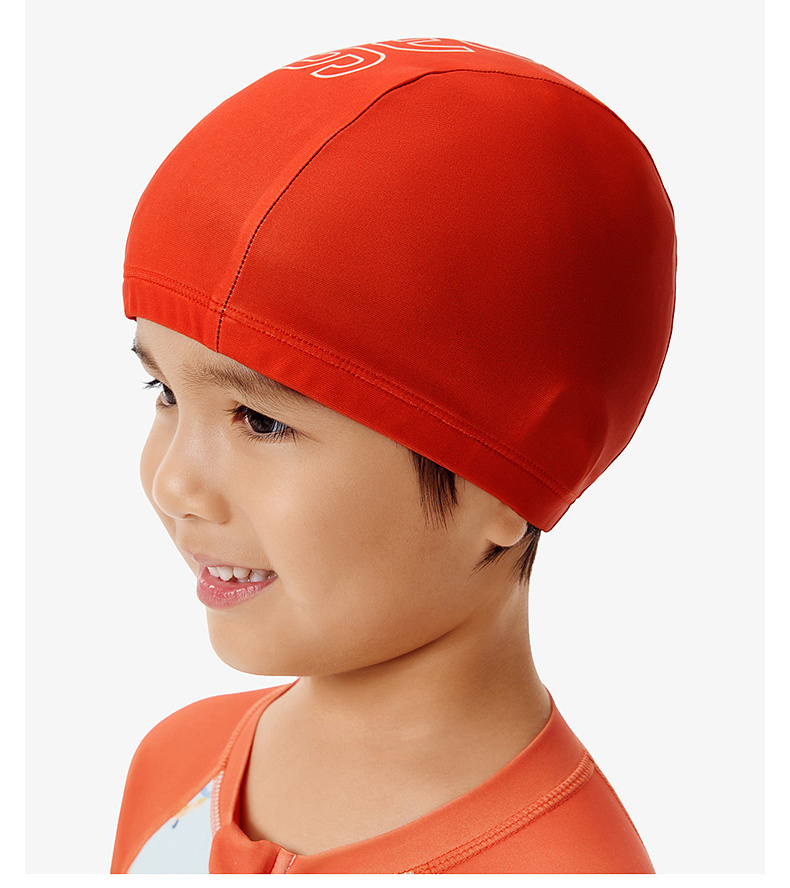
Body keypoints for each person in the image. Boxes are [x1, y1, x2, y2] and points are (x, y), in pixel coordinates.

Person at [111, 37, 676, 874]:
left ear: (505, 474)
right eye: (163, 392)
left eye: (259, 421)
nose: (173, 483)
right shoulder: (174, 765)